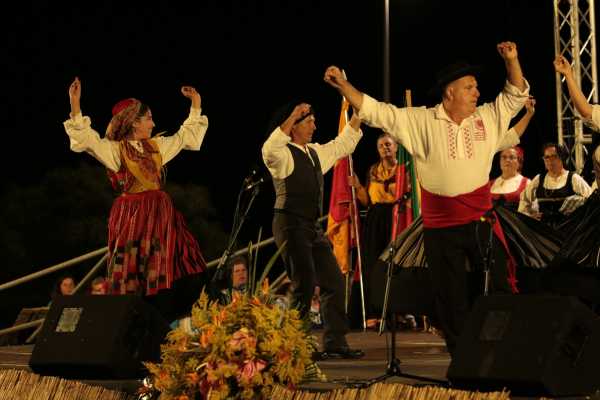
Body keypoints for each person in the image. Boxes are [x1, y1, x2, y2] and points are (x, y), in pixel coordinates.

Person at [324, 41, 529, 356]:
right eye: (470, 87)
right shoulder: (421, 121)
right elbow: (377, 111)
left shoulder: (487, 117)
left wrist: (512, 60)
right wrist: (343, 85)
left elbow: (515, 93)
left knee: (498, 285)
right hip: (441, 227)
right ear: (450, 93)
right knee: (450, 296)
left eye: (476, 87)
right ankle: (463, 359)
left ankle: (501, 354)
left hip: (480, 220)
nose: (477, 92)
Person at [64, 77, 208, 321]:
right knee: (134, 273)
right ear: (134, 123)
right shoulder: (115, 150)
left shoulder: (156, 147)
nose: (153, 123)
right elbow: (87, 140)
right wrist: (75, 104)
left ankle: (168, 316)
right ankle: (134, 320)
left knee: (178, 264)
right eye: (149, 118)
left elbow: (184, 138)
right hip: (133, 218)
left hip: (161, 218)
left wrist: (196, 104)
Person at [262, 101, 364, 360]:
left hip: (311, 225)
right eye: (308, 121)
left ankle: (335, 342)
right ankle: (296, 345)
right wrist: (292, 114)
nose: (314, 126)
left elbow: (342, 144)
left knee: (334, 281)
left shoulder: (315, 153)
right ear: (294, 126)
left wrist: (358, 115)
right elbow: (269, 149)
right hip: (289, 223)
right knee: (304, 282)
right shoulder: (283, 155)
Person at [348, 132, 415, 329]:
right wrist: (358, 186)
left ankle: (399, 312)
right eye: (381, 146)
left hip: (396, 220)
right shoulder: (372, 171)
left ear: (396, 147)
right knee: (372, 266)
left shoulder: (405, 170)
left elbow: (411, 198)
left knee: (395, 267)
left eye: (388, 144)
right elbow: (367, 201)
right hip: (375, 221)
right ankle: (374, 313)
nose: (385, 148)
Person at [518, 142, 592, 229]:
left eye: (554, 156)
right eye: (547, 157)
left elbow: (591, 198)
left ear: (561, 157)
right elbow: (524, 200)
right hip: (543, 229)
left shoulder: (573, 178)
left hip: (567, 229)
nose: (550, 160)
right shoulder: (539, 179)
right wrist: (529, 216)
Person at [490, 97, 535, 210]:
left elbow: (513, 135)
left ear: (519, 162)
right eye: (504, 157)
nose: (507, 160)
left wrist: (529, 114)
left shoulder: (526, 183)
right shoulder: (490, 184)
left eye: (511, 157)